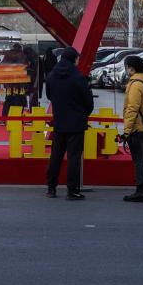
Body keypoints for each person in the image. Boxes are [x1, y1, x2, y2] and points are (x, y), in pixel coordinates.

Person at [45, 47, 94, 200]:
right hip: (76, 123)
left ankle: (51, 188)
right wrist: (83, 113)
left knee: (55, 157)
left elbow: (49, 95)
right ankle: (72, 190)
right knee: (73, 158)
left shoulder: (52, 75)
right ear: (74, 59)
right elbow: (88, 102)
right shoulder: (78, 77)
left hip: (59, 121)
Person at [121, 55, 143, 202]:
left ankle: (140, 190)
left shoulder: (135, 84)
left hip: (137, 128)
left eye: (127, 67)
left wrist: (126, 131)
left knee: (139, 160)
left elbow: (132, 108)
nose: (126, 70)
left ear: (131, 68)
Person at [1, 44, 28, 116]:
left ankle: (4, 117)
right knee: (19, 101)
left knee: (8, 100)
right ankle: (17, 118)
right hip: (19, 83)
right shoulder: (23, 56)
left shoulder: (8, 55)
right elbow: (26, 69)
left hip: (9, 83)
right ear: (20, 48)